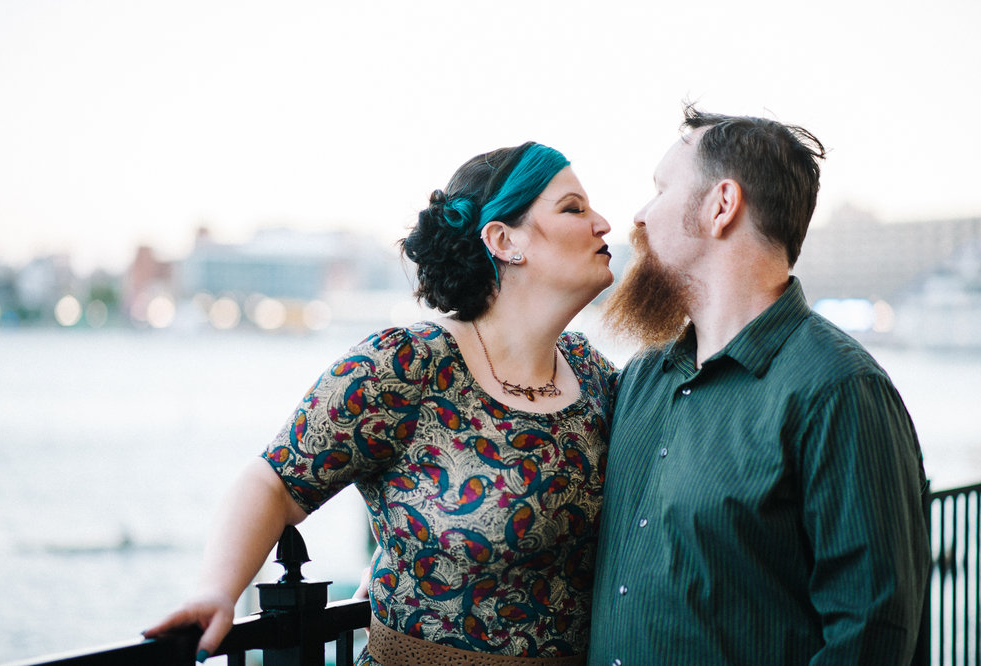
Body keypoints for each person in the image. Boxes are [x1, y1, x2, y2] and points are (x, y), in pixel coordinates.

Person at [145, 141, 618, 665]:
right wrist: (217, 592)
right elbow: (273, 480)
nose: (602, 223)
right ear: (504, 240)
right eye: (573, 208)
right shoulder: (405, 366)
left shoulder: (591, 372)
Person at [588, 105, 930, 665]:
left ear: (722, 205)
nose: (640, 216)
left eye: (661, 189)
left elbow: (870, 636)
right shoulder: (642, 378)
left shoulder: (839, 390)